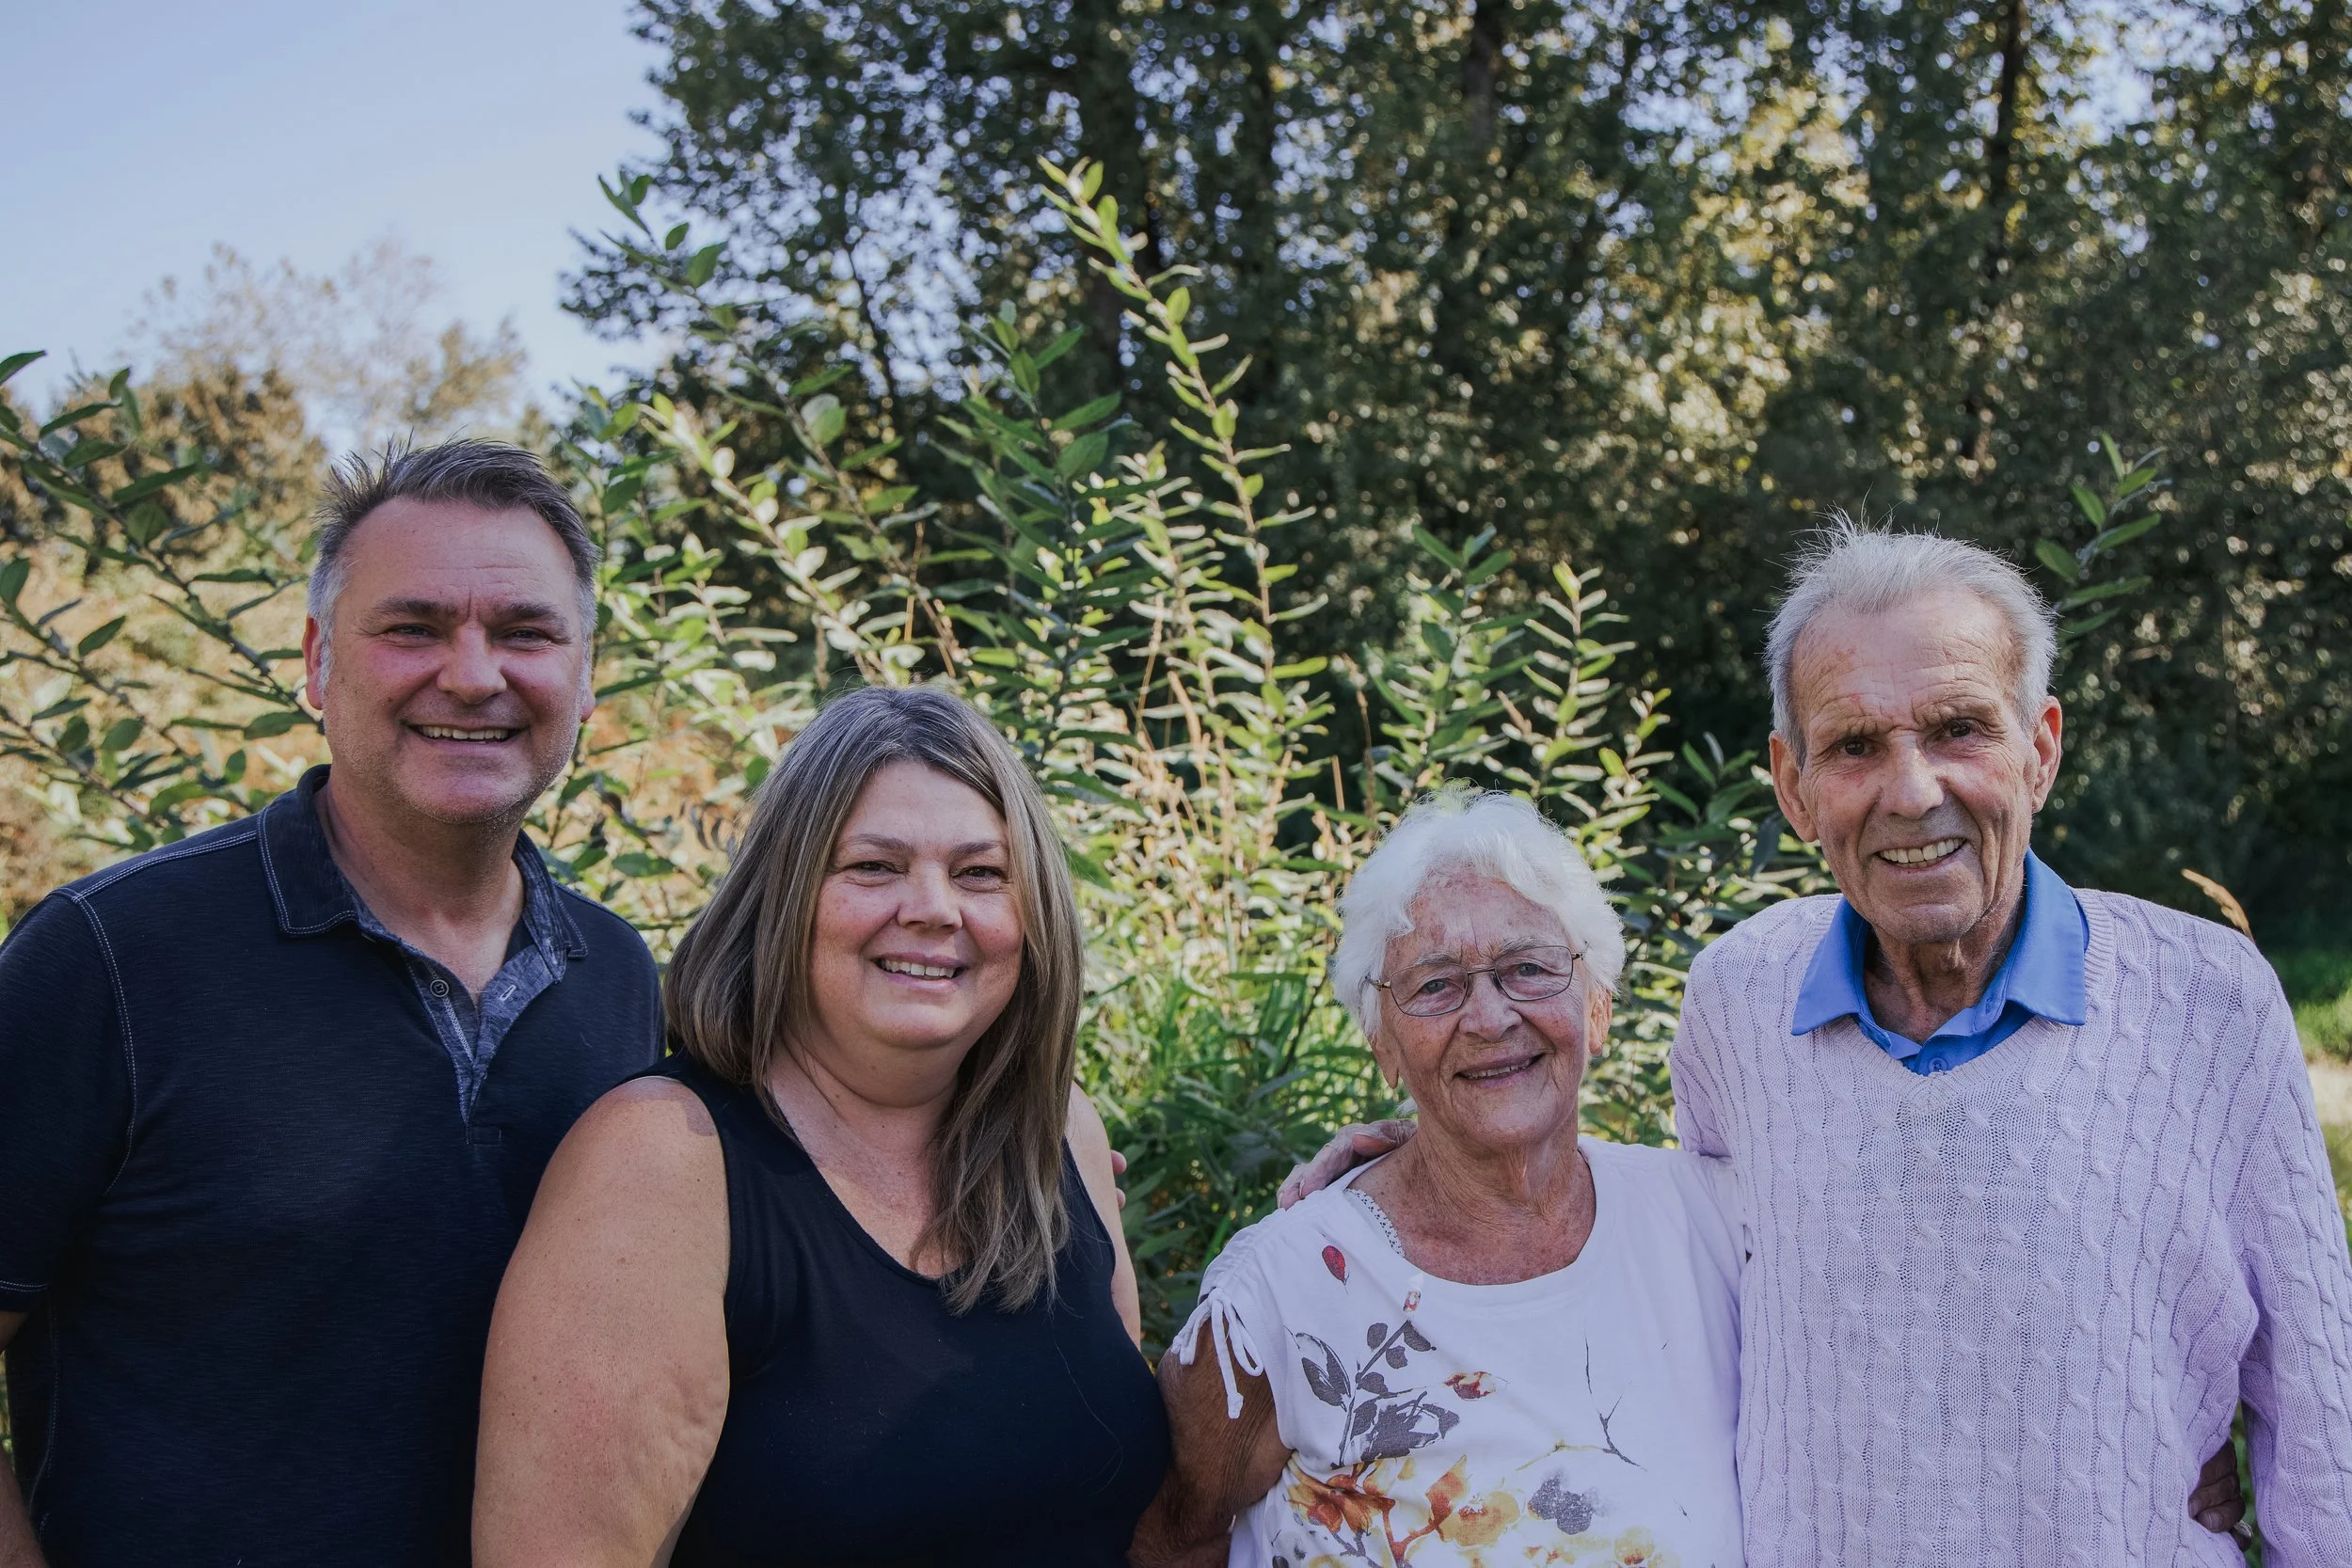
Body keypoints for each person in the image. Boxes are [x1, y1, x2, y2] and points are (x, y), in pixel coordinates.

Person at [1285, 520, 2345, 1562]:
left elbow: (2319, 1398)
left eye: (1958, 728)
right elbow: (1695, 1242)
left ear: (2040, 749)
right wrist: (1444, 1153)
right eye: (1855, 745)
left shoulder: (2206, 1001)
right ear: (1794, 785)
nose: (1912, 791)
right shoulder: (1740, 994)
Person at [0, 441, 662, 1567]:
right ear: (316, 662)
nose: (473, 674)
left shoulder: (617, 975)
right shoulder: (109, 956)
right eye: (412, 627)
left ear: (586, 674)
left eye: (525, 631)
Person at [472, 683, 1168, 1567]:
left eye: (980, 873)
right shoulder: (660, 1165)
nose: (933, 907)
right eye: (874, 866)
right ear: (785, 895)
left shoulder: (1058, 1131)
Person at [1131, 787, 1743, 1567]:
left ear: (1597, 1007)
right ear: (1382, 1043)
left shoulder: (1711, 1227)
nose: (1489, 1017)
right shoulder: (1281, 1294)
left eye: (1528, 968)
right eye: (1435, 984)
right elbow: (1171, 1537)